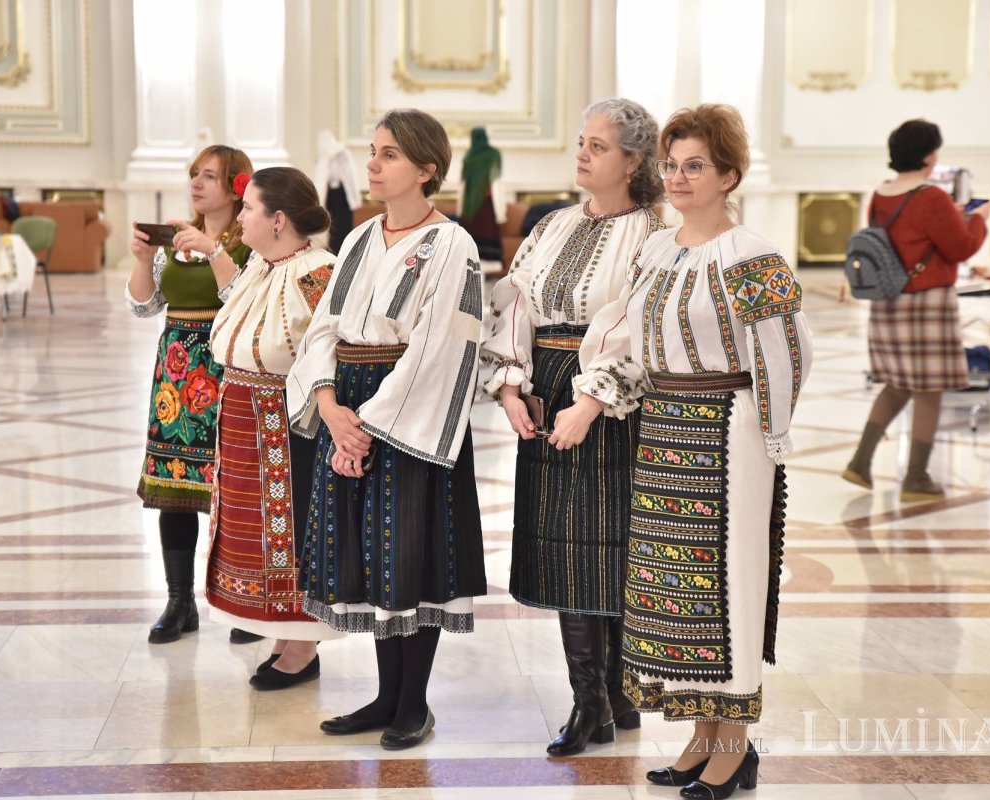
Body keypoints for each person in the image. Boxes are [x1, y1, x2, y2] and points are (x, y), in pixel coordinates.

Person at [571, 104, 812, 799]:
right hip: (666, 424)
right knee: (677, 593)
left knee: (727, 586)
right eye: (672, 164)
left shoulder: (752, 254)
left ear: (729, 173)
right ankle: (700, 736)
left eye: (695, 165)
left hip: (731, 429)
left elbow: (789, 350)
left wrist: (770, 432)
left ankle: (733, 745)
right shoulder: (658, 249)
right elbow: (621, 334)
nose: (678, 176)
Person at [286, 108, 485, 751]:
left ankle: (414, 704)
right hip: (346, 405)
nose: (372, 164)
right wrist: (328, 402)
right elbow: (324, 327)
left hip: (407, 415)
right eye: (373, 151)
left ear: (427, 169)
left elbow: (436, 349)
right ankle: (383, 696)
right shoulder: (359, 239)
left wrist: (365, 426)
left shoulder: (451, 245)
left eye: (390, 154)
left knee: (409, 554)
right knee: (367, 556)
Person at [481, 98, 665, 756]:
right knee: (566, 551)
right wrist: (508, 385)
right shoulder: (553, 225)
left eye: (599, 146)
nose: (582, 154)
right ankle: (605, 697)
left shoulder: (654, 233)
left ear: (635, 161)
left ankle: (601, 700)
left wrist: (591, 402)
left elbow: (646, 327)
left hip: (610, 405)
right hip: (545, 392)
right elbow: (514, 303)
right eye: (581, 142)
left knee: (599, 549)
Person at [205, 166, 344, 688]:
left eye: (248, 209)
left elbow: (331, 351)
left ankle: (302, 644)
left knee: (291, 530)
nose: (239, 219)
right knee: (255, 533)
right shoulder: (263, 265)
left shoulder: (318, 272)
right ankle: (284, 634)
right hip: (243, 412)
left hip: (286, 421)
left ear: (278, 219)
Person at [126, 145, 253, 645]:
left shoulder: (252, 240)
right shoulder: (175, 241)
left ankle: (248, 602)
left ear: (236, 185)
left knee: (239, 487)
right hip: (176, 376)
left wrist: (212, 249)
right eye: (194, 175)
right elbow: (144, 305)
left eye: (210, 176)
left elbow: (243, 297)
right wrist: (143, 259)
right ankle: (180, 602)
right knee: (174, 488)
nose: (197, 184)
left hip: (226, 369)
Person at [842, 119, 989, 502]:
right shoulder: (931, 197)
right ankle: (917, 477)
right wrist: (977, 220)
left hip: (888, 300)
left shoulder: (881, 194)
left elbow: (905, 237)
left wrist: (952, 215)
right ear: (928, 155)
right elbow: (960, 248)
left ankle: (860, 461)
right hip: (927, 303)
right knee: (929, 390)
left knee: (897, 383)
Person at [458, 127, 504, 262]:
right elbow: (496, 181)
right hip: (482, 203)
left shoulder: (469, 155)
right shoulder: (492, 154)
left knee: (474, 240)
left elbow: (463, 183)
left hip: (474, 204)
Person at [314, 130, 361, 255]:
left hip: (341, 195)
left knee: (343, 224)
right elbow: (321, 177)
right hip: (330, 195)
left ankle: (344, 249)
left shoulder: (342, 153)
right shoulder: (323, 156)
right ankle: (333, 249)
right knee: (332, 223)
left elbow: (350, 176)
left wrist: (354, 199)